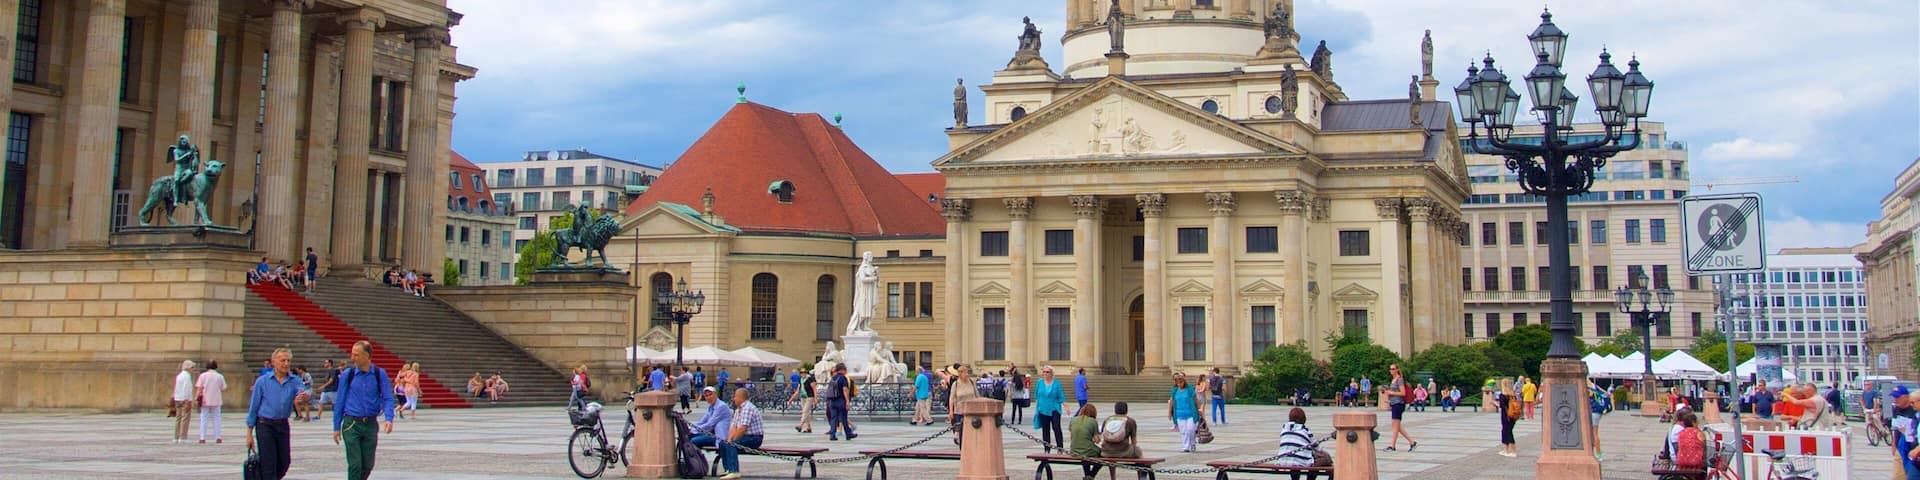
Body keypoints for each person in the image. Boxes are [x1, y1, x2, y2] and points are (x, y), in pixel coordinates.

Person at [332, 341, 395, 480]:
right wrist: (336, 426)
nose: (352, 358)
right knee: (355, 464)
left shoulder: (379, 374)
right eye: (352, 354)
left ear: (367, 356)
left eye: (356, 355)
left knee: (367, 464)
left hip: (370, 424)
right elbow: (340, 401)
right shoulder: (349, 375)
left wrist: (389, 418)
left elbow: (388, 398)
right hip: (352, 423)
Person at [247, 348, 310, 480]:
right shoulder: (262, 381)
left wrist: (304, 396)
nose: (286, 364)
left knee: (284, 462)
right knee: (268, 463)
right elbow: (254, 407)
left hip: (282, 425)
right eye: (283, 360)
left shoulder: (294, 380)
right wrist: (249, 434)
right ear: (274, 362)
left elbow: (303, 391)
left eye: (288, 361)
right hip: (265, 425)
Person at [716, 387, 765, 480]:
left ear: (740, 397)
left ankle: (734, 471)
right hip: (745, 436)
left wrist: (732, 441)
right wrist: (729, 439)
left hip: (754, 438)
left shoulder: (748, 408)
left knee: (732, 445)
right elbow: (733, 426)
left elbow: (742, 428)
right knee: (723, 443)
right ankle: (728, 469)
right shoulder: (739, 409)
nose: (733, 399)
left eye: (735, 396)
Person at [1382, 364, 1418, 452]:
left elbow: (1403, 393)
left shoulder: (1399, 379)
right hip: (1394, 403)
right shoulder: (1393, 380)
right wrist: (1389, 398)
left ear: (1397, 370)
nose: (1391, 370)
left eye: (1393, 369)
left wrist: (1391, 393)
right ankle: (1412, 442)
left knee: (1395, 426)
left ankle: (1392, 446)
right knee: (1397, 426)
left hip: (1399, 404)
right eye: (1390, 369)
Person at [1033, 366, 1067, 453]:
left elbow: (1061, 395)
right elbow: (1036, 395)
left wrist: (1066, 406)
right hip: (1043, 409)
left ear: (1051, 373)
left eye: (1047, 372)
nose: (1045, 374)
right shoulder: (1039, 383)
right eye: (1044, 372)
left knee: (1056, 427)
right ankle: (1047, 449)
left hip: (1054, 408)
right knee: (1045, 429)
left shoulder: (1056, 383)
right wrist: (1037, 408)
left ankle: (1060, 448)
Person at [1169, 372, 1203, 453]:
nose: (1179, 384)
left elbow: (1195, 399)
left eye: (1181, 382)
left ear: (1184, 382)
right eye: (1177, 383)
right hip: (1179, 414)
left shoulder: (1189, 389)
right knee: (1183, 431)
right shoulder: (1175, 390)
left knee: (1191, 429)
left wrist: (1200, 409)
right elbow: (1172, 401)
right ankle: (1186, 446)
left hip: (1191, 413)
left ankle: (1192, 443)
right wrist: (1170, 412)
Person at [1888, 387, 1919, 479]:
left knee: (1911, 473)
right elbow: (1896, 428)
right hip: (1902, 443)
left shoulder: (1915, 409)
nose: (1895, 400)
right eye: (1894, 397)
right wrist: (1894, 444)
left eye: (1898, 397)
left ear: (1906, 397)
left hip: (1914, 445)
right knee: (1898, 475)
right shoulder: (1896, 409)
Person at [195, 360, 227, 443]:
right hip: (216, 399)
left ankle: (202, 438)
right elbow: (223, 388)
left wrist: (196, 397)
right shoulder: (220, 376)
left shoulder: (203, 375)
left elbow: (199, 388)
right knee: (217, 418)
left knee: (204, 418)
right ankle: (218, 437)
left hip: (205, 399)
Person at [1068, 404, 1103, 478]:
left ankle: (1087, 475)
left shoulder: (1073, 419)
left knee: (1084, 455)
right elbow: (1097, 440)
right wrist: (1099, 435)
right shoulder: (1093, 421)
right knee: (1103, 455)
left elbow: (1071, 437)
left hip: (1074, 450)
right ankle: (1091, 475)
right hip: (1088, 449)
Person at [948, 365, 980, 445]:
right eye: (965, 372)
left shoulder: (972, 382)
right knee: (961, 429)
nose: (967, 374)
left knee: (971, 429)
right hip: (959, 410)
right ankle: (961, 442)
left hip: (972, 410)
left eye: (967, 372)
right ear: (960, 374)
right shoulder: (956, 384)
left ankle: (969, 444)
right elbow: (951, 398)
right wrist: (951, 411)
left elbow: (977, 395)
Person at [826, 363, 857, 440]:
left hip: (832, 401)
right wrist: (847, 401)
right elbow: (845, 389)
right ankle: (848, 434)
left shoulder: (833, 378)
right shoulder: (843, 378)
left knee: (834, 418)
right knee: (844, 418)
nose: (846, 371)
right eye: (845, 369)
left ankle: (832, 435)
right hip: (840, 400)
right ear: (842, 370)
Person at [171, 359, 196, 443]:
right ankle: (183, 437)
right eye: (192, 367)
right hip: (185, 399)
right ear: (188, 367)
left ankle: (176, 437)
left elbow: (176, 388)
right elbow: (187, 389)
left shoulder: (179, 375)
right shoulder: (187, 376)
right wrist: (187, 400)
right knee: (185, 418)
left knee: (178, 418)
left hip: (178, 398)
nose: (193, 369)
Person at [1495, 378, 1518, 457]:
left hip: (1506, 416)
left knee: (1507, 432)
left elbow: (1501, 406)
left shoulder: (1502, 395)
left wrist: (1494, 403)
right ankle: (1505, 449)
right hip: (1513, 416)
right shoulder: (1512, 395)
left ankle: (1513, 451)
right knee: (1507, 431)